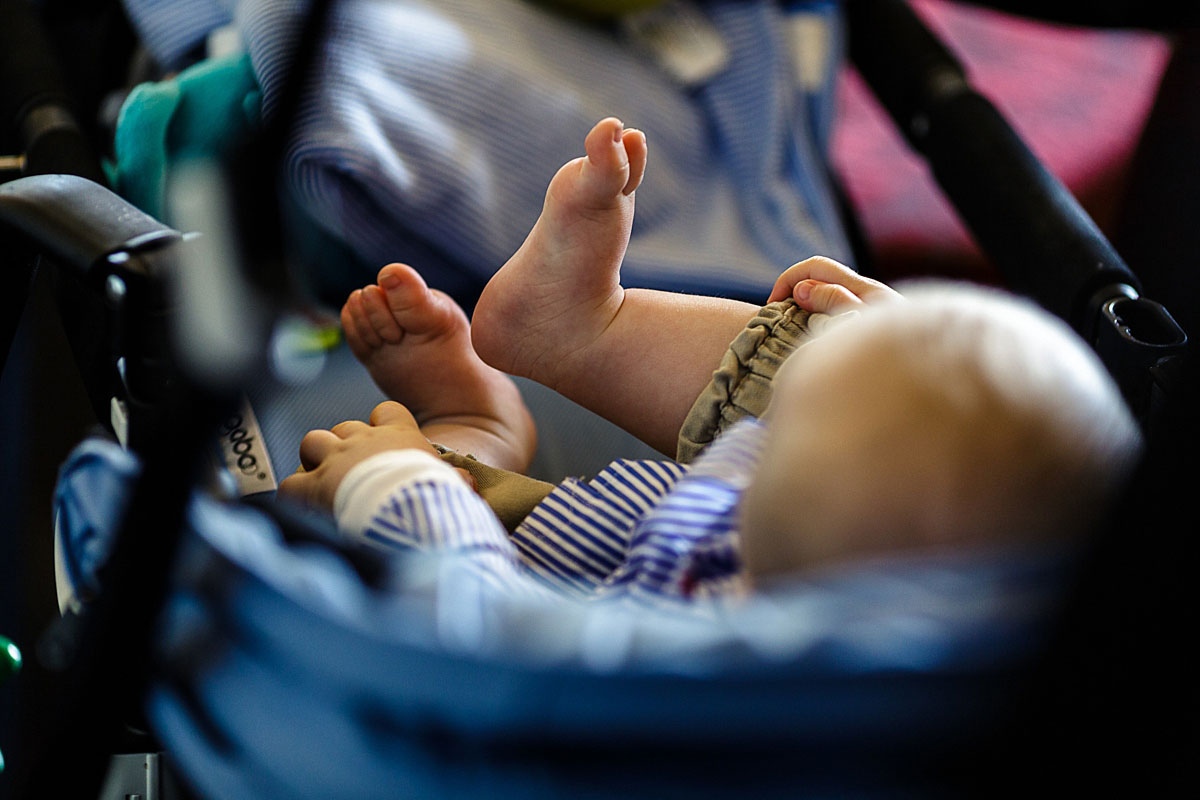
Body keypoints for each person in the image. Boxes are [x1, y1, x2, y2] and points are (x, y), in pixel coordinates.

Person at [278, 117, 1141, 603]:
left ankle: (477, 423)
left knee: (459, 486)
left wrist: (395, 486)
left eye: (773, 442)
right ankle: (576, 333)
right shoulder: (875, 554)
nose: (758, 439)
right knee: (895, 402)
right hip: (629, 520)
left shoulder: (695, 658)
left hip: (509, 560)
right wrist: (887, 359)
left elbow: (491, 633)